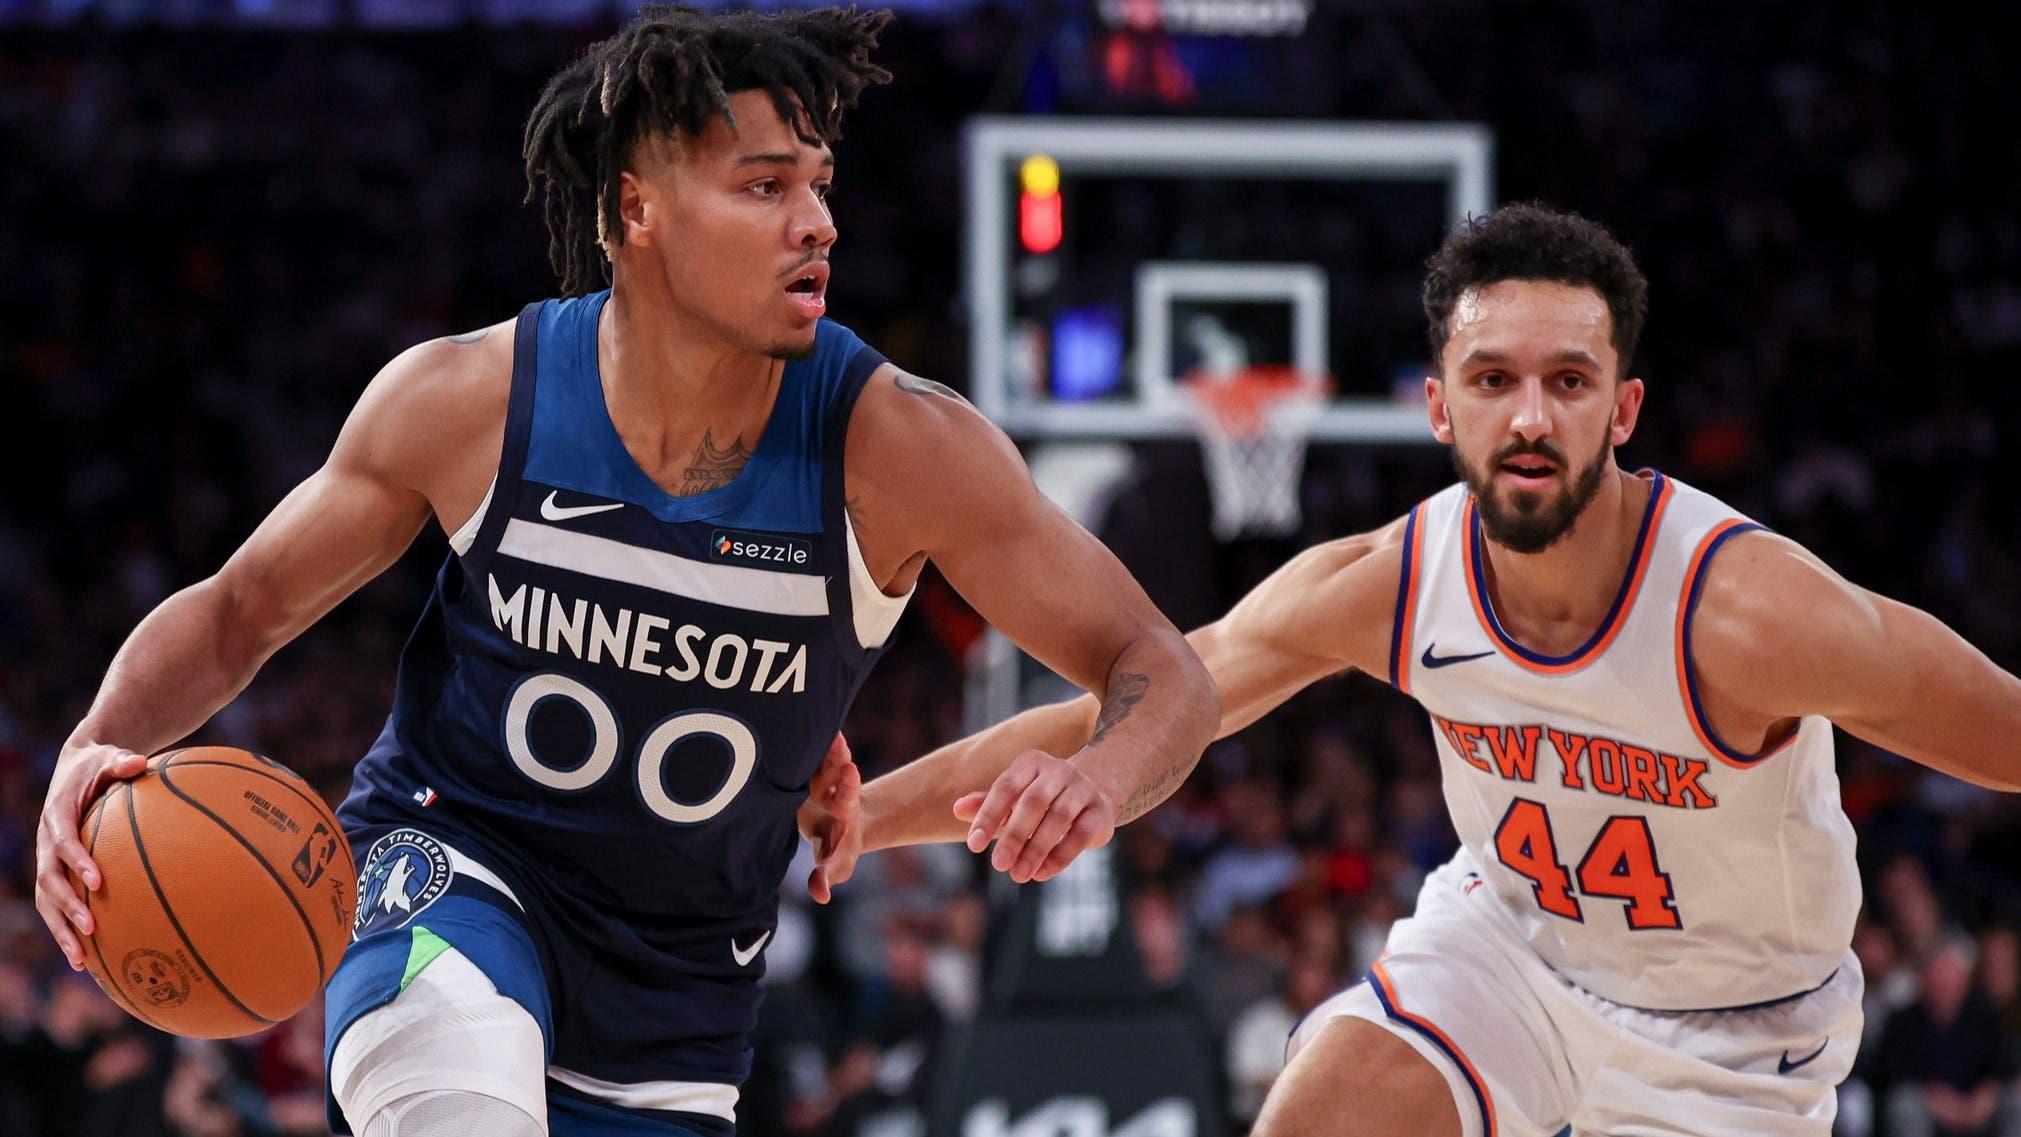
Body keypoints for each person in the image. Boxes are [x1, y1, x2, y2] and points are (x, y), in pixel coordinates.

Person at [31, 8, 1217, 1137]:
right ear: (638, 207)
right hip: (450, 866)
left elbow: (1160, 669)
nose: (817, 224)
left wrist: (1101, 780)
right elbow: (242, 612)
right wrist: (97, 743)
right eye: (764, 186)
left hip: (682, 980)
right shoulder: (470, 401)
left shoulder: (899, 447)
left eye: (819, 187)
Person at [871, 202, 2021, 1136]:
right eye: (1490, 380)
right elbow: (1150, 697)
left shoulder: (1748, 612)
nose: (1529, 416)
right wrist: (852, 822)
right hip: (1509, 954)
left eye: (1567, 381)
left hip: (1729, 1031)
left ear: (1622, 410)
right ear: (1436, 407)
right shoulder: (1394, 580)